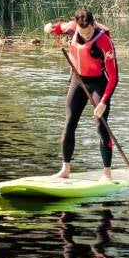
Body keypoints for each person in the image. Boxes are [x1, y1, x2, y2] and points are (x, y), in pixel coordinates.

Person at [43, 9, 119, 181]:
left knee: (101, 125)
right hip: (78, 82)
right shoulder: (72, 27)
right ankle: (65, 169)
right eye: (82, 32)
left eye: (89, 32)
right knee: (69, 122)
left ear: (93, 24)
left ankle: (106, 173)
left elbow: (114, 77)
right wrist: (49, 27)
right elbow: (55, 27)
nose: (85, 36)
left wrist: (103, 103)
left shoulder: (104, 42)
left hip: (98, 84)